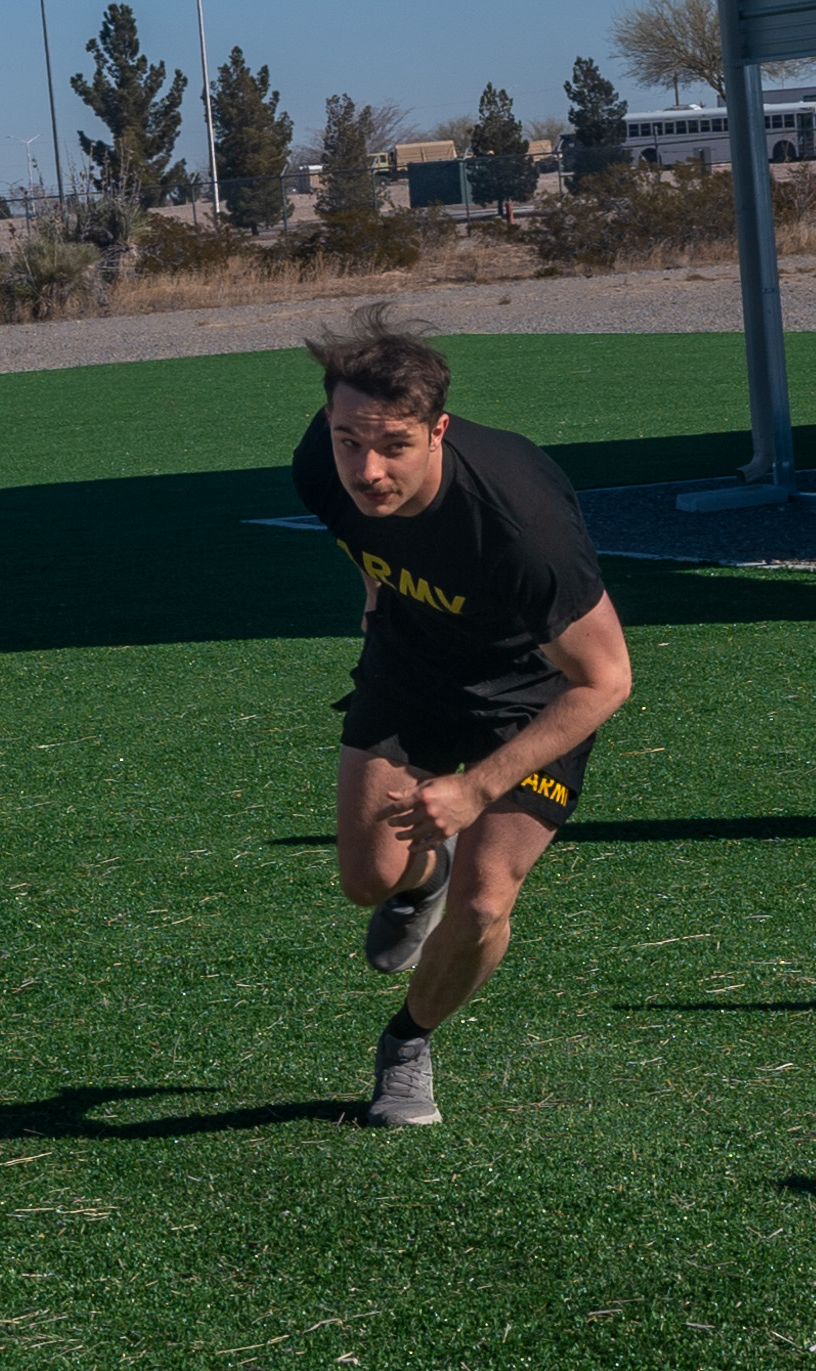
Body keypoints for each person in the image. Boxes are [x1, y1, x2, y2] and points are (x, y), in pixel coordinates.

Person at [292, 306, 632, 1127]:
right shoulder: (319, 459)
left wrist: (475, 789)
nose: (367, 469)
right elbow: (362, 536)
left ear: (437, 430)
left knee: (483, 903)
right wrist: (375, 597)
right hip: (410, 666)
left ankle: (407, 1041)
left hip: (531, 694)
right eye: (348, 440)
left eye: (393, 446)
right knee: (367, 880)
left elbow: (606, 679)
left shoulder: (520, 528)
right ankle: (422, 880)